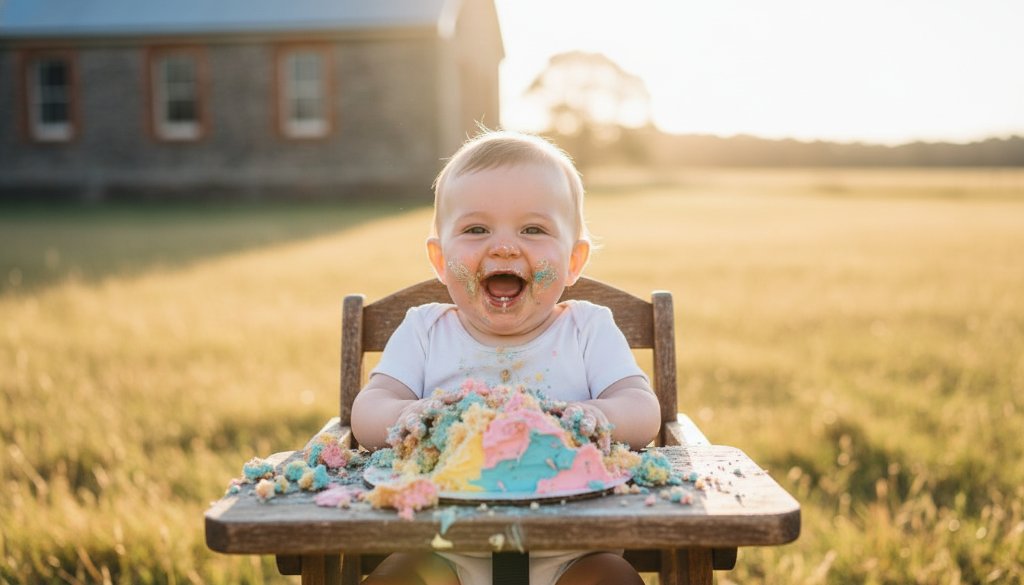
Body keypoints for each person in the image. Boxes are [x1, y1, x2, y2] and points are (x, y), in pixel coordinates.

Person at [351, 129, 661, 585]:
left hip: (574, 547)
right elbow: (369, 410)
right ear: (439, 259)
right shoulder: (424, 330)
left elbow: (642, 408)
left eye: (533, 229)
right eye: (476, 229)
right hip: (441, 546)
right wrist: (414, 414)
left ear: (574, 261)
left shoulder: (588, 329)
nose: (503, 246)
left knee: (610, 578)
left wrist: (594, 415)